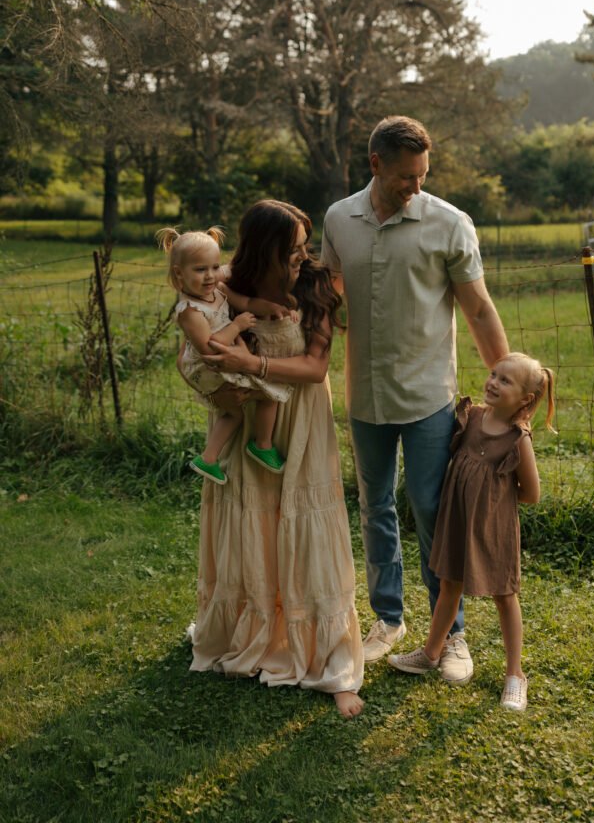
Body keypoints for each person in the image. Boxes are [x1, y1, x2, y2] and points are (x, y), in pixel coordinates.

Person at [320, 115, 509, 684]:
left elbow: (477, 309)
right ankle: (388, 621)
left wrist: (509, 388)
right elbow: (326, 298)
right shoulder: (338, 219)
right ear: (375, 164)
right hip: (364, 395)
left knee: (432, 509)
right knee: (374, 507)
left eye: (423, 175)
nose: (416, 187)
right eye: (406, 176)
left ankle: (450, 636)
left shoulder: (450, 224)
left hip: (429, 395)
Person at [185, 199, 365, 718]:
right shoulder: (223, 286)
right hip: (249, 423)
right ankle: (252, 634)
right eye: (292, 249)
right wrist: (218, 387)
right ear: (263, 248)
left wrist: (253, 361)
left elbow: (313, 367)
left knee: (308, 522)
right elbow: (194, 343)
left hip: (301, 420)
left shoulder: (315, 286)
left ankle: (328, 657)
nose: (301, 257)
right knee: (252, 519)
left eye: (305, 246)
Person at [388, 351, 554, 711]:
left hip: (494, 527)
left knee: (504, 594)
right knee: (449, 583)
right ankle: (432, 652)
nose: (493, 382)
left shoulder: (517, 438)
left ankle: (515, 675)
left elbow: (532, 494)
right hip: (458, 518)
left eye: (505, 380)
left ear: (525, 399)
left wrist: (494, 498)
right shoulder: (472, 418)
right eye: (494, 374)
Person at [157, 226, 294, 484]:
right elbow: (209, 349)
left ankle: (208, 459)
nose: (210, 276)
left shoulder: (216, 289)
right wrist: (237, 326)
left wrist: (277, 305)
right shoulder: (190, 310)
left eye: (214, 267)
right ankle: (261, 446)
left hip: (223, 359)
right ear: (179, 274)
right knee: (270, 393)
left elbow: (245, 301)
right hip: (208, 368)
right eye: (200, 270)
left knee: (235, 413)